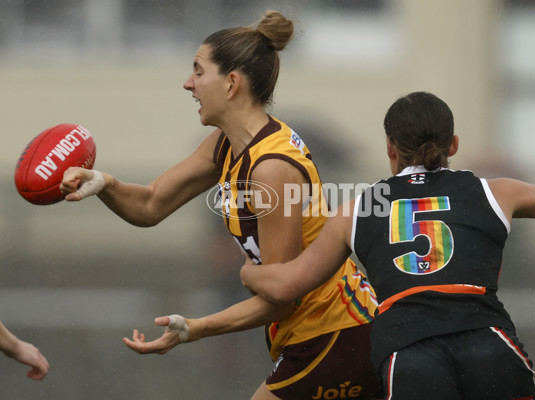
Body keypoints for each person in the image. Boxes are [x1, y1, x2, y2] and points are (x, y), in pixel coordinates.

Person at [60, 10, 381, 400]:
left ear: (231, 83)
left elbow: (280, 298)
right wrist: (106, 184)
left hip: (336, 332)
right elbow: (150, 205)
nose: (187, 83)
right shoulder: (225, 144)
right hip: (315, 335)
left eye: (198, 71)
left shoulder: (271, 168)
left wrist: (197, 328)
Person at [240, 91, 535, 400]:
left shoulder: (358, 209)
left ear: (390, 148)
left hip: (410, 356)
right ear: (453, 145)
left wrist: (249, 273)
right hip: (488, 345)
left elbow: (286, 285)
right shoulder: (490, 191)